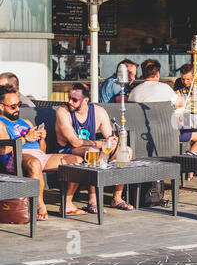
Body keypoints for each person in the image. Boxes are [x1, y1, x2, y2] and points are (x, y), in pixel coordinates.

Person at [0, 85, 83, 221]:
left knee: (76, 161)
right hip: (16, 157)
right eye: (13, 106)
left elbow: (41, 150)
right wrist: (26, 138)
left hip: (37, 156)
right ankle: (40, 207)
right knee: (35, 163)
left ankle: (67, 204)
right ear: (1, 106)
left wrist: (42, 137)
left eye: (19, 104)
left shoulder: (25, 122)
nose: (17, 109)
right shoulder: (1, 124)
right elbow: (3, 150)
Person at [55, 83, 134, 214]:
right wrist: (102, 143)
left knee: (126, 152)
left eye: (74, 100)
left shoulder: (98, 111)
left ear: (85, 100)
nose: (70, 102)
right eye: (69, 98)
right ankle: (92, 200)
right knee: (94, 152)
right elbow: (74, 142)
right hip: (68, 150)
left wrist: (112, 141)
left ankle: (117, 198)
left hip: (91, 147)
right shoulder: (63, 111)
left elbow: (109, 136)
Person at [129, 60, 197, 180]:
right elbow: (181, 103)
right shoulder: (164, 88)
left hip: (140, 139)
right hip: (167, 137)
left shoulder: (134, 92)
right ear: (157, 74)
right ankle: (187, 166)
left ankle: (188, 167)